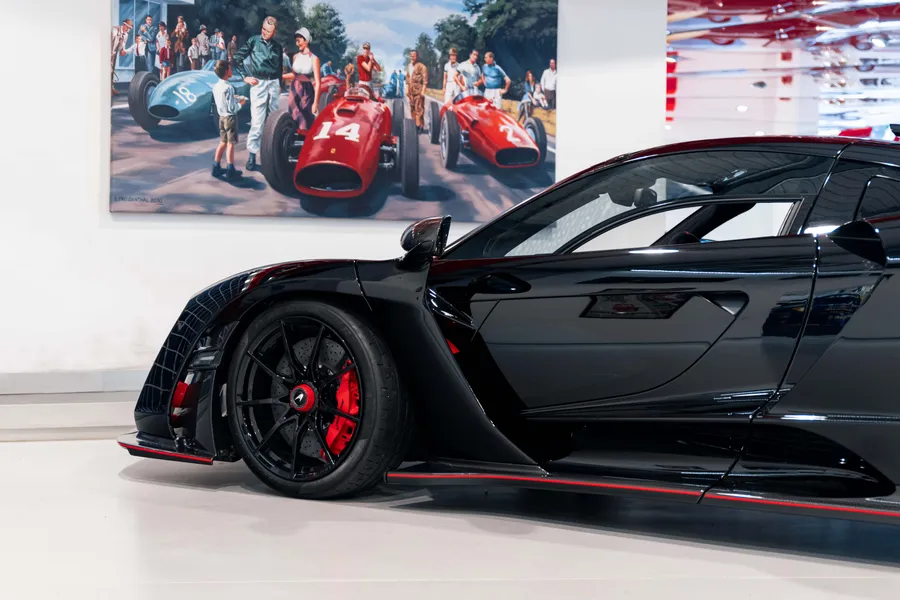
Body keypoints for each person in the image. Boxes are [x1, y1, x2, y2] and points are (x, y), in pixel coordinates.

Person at [232, 16, 284, 172]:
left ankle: (271, 156)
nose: (264, 32)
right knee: (257, 122)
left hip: (273, 84)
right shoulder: (254, 41)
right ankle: (252, 156)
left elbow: (280, 68)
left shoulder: (277, 47)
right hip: (258, 83)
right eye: (263, 29)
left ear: (274, 32)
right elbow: (237, 58)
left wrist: (280, 85)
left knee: (273, 121)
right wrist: (245, 77)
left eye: (268, 31)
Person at [212, 60, 247, 180]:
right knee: (230, 143)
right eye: (230, 69)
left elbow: (223, 101)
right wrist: (241, 103)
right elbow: (232, 108)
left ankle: (216, 167)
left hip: (221, 117)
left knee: (222, 142)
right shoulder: (229, 87)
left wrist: (233, 98)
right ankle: (230, 169)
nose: (232, 70)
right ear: (226, 72)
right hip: (230, 118)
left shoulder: (216, 87)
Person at [286, 27, 321, 131]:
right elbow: (293, 74)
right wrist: (280, 76)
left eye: (299, 41)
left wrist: (316, 103)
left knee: (305, 120)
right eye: (296, 41)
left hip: (307, 91)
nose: (297, 44)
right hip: (294, 89)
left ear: (306, 41)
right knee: (293, 117)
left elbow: (318, 83)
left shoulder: (314, 58)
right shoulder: (295, 57)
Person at [406, 49, 428, 132]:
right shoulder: (409, 66)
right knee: (412, 109)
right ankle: (414, 125)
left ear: (417, 57)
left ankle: (419, 126)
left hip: (418, 91)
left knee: (419, 109)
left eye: (414, 56)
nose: (412, 57)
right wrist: (407, 90)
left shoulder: (422, 67)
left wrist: (423, 91)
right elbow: (407, 79)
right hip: (411, 92)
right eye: (411, 56)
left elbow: (425, 81)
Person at [111, 18, 133, 95]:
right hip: (108, 53)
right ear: (124, 25)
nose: (128, 29)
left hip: (114, 54)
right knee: (108, 70)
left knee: (111, 71)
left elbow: (122, 45)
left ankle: (111, 88)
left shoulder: (126, 35)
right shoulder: (114, 30)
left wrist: (122, 50)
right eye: (127, 27)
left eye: (130, 28)